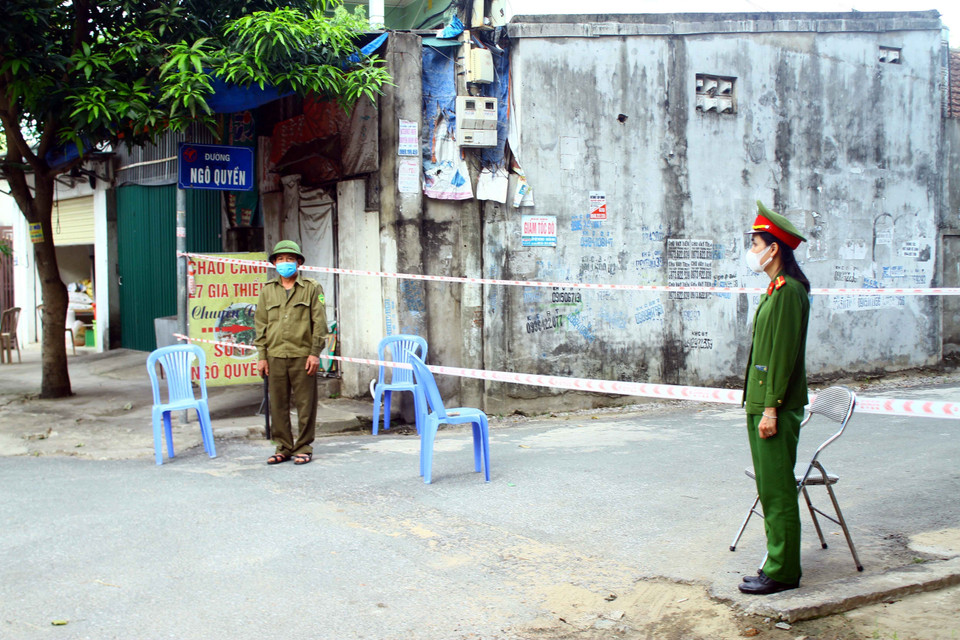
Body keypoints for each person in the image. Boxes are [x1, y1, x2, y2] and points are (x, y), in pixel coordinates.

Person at [738, 201, 811, 595]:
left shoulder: (788, 292)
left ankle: (783, 571)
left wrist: (770, 409)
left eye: (756, 243)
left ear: (774, 248)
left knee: (778, 489)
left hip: (774, 408)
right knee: (769, 487)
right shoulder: (775, 289)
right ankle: (776, 561)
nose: (752, 250)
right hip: (762, 403)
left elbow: (781, 357)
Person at [254, 240, 328, 466]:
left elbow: (320, 323)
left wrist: (315, 353)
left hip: (302, 355)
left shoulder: (312, 288)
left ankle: (304, 446)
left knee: (306, 404)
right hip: (275, 356)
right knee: (277, 404)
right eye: (281, 259)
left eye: (290, 259)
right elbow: (260, 325)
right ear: (274, 263)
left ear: (298, 263)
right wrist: (262, 356)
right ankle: (283, 446)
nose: (285, 263)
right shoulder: (268, 291)